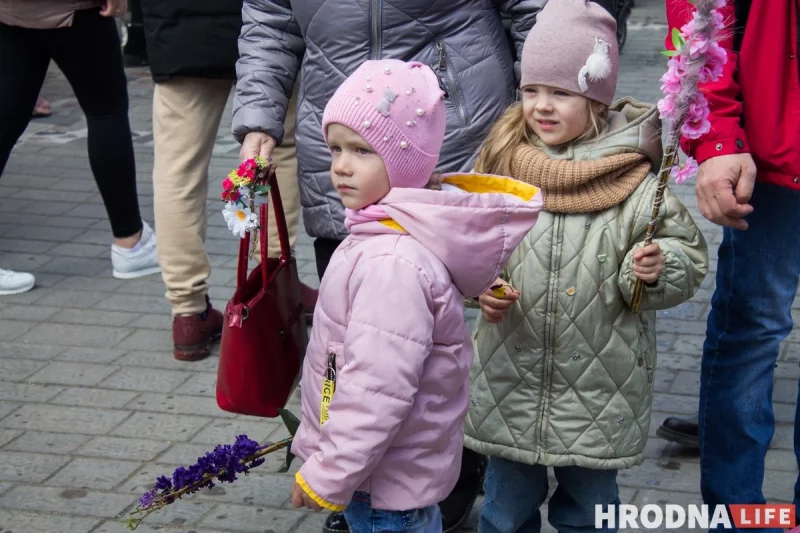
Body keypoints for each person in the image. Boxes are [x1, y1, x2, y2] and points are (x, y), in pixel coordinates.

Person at [232, 2, 547, 529]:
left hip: (382, 489)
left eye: (358, 152)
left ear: (402, 166)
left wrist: (329, 474)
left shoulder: (391, 264)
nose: (339, 167)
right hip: (376, 476)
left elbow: (380, 386)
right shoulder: (375, 236)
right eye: (334, 149)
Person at [462, 1, 709, 532]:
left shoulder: (636, 180)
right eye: (531, 90)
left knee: (591, 515)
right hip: (511, 382)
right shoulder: (502, 165)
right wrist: (480, 286)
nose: (542, 107)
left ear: (596, 99)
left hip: (601, 390)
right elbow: (463, 245)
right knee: (505, 511)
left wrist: (657, 267)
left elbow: (686, 256)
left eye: (561, 93)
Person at [656, 0, 800, 519]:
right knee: (755, 326)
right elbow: (700, 15)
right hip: (775, 139)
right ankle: (739, 518)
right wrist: (716, 135)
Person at [140, 0, 312, 360]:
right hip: (266, 23)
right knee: (276, 145)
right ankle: (275, 281)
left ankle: (187, 311)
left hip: (178, 26)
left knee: (178, 168)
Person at [0, 0, 160, 295]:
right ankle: (130, 242)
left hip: (13, 9)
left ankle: (132, 243)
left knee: (6, 118)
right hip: (75, 9)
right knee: (105, 111)